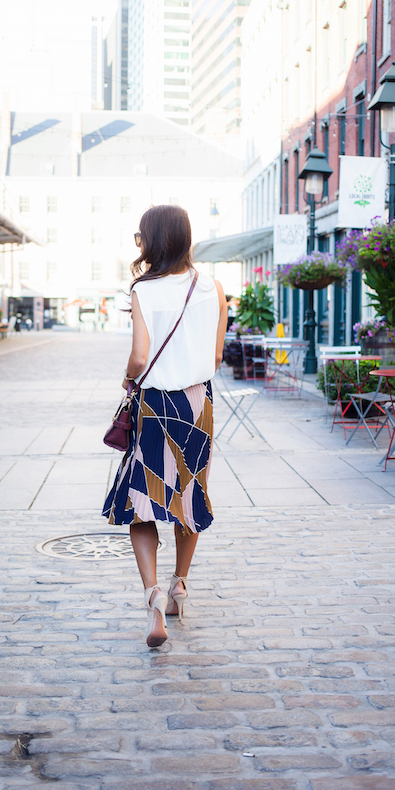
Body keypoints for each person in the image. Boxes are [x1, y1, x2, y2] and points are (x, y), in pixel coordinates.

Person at [103, 205, 228, 647]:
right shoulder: (213, 287)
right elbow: (215, 358)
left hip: (155, 405)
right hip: (197, 404)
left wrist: (126, 379)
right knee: (189, 496)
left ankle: (153, 595)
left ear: (153, 240)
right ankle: (180, 585)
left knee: (143, 501)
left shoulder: (144, 290)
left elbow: (140, 357)